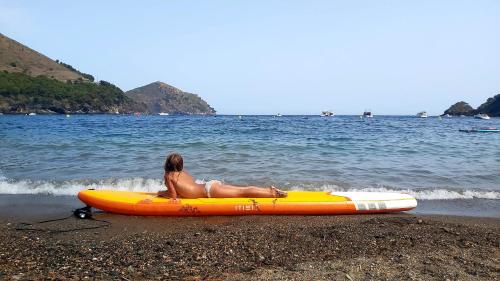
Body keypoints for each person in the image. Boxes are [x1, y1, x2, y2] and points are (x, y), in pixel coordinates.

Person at [159, 153, 287, 201]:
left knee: (242, 192)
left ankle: (272, 193)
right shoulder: (184, 173)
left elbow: (173, 195)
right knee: (241, 190)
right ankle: (268, 190)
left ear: (167, 165)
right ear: (180, 165)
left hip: (209, 191)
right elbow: (188, 188)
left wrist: (161, 193)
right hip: (209, 186)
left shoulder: (168, 176)